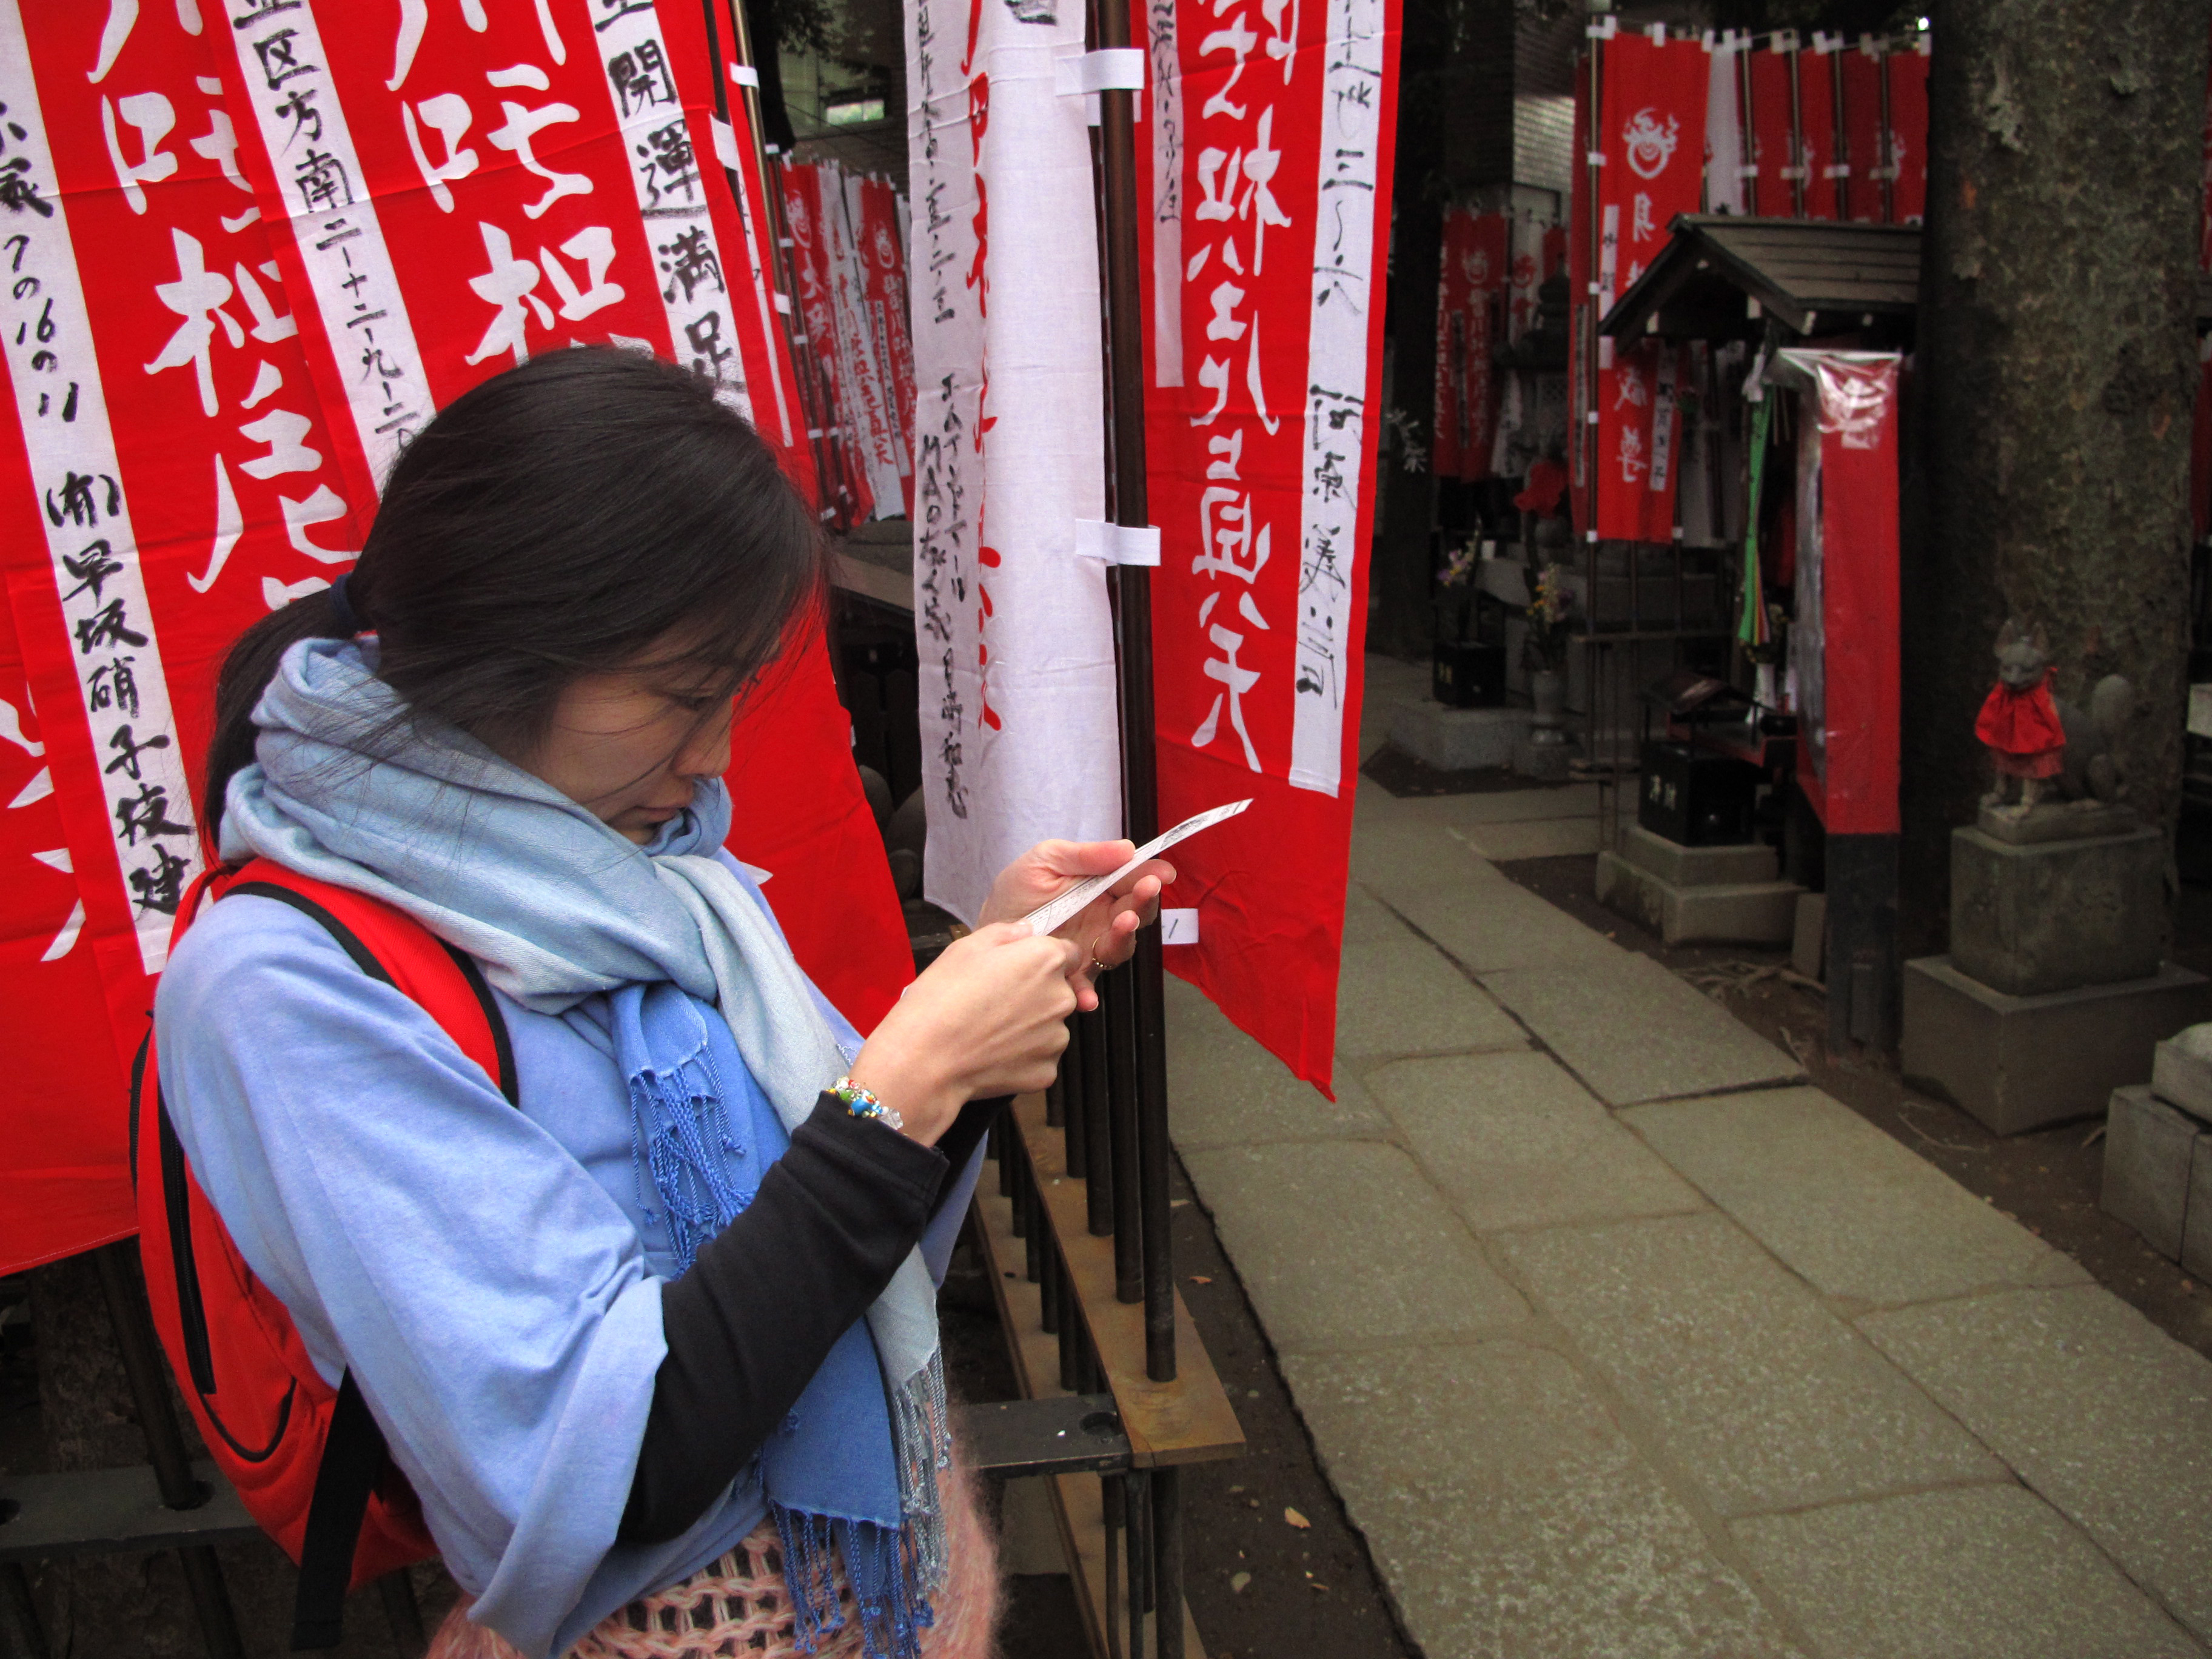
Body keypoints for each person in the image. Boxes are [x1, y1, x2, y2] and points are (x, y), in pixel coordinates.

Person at [158, 349, 1170, 1659]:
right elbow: (608, 1463)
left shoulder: (649, 870)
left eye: (732, 696)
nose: (715, 756)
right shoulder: (282, 987)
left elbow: (841, 1235)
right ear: (506, 648)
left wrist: (982, 993)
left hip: (893, 1599)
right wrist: (907, 1085)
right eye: (684, 699)